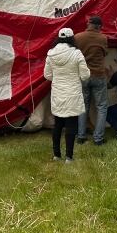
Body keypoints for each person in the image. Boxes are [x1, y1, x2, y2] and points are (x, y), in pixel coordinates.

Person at [44, 28, 90, 163]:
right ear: (72, 38)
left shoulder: (51, 54)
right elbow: (85, 75)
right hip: (73, 94)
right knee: (71, 125)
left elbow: (47, 75)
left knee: (57, 125)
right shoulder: (77, 53)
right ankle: (69, 157)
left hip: (58, 93)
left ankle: (56, 155)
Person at [74, 15, 110, 145]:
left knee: (83, 106)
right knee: (101, 107)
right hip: (98, 75)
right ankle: (98, 138)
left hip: (83, 76)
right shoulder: (103, 38)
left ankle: (81, 136)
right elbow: (105, 53)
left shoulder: (77, 37)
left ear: (89, 24)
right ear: (99, 27)